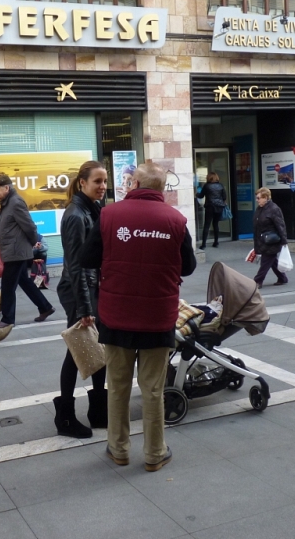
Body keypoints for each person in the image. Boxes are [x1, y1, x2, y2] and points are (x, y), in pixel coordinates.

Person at [80, 162, 197, 472]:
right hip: (157, 319)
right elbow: (188, 267)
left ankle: (118, 449)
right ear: (161, 190)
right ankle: (155, 453)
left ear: (134, 185)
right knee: (153, 389)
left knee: (117, 386)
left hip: (116, 317)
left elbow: (87, 258)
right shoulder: (175, 220)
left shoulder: (109, 216)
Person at [55, 161, 108, 439]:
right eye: (97, 181)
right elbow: (75, 265)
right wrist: (85, 308)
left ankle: (99, 410)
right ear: (82, 183)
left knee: (99, 346)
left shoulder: (93, 209)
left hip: (92, 286)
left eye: (104, 181)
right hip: (79, 289)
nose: (102, 187)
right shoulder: (75, 215)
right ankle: (64, 417)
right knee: (76, 351)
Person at [0, 175, 55, 328]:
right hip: (13, 250)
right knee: (24, 282)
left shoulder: (15, 202)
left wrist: (34, 242)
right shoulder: (8, 203)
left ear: (6, 188)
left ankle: (7, 319)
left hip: (16, 252)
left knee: (7, 286)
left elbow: (30, 226)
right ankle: (45, 307)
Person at [252, 187, 289, 288]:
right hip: (262, 239)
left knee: (265, 261)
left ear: (266, 197)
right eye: (257, 198)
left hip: (271, 240)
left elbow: (280, 225)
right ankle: (282, 278)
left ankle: (257, 281)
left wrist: (284, 240)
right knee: (272, 261)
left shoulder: (274, 209)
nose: (257, 200)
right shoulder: (260, 209)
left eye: (259, 198)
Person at [196, 172, 226, 249]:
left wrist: (196, 194)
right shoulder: (221, 185)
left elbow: (201, 195)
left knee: (207, 225)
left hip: (210, 206)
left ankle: (203, 244)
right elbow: (224, 197)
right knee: (216, 224)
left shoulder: (207, 186)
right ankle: (216, 242)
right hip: (219, 206)